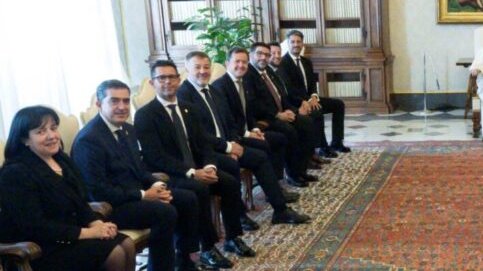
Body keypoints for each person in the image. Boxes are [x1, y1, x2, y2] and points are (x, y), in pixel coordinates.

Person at [134, 59, 254, 268]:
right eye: (162, 78)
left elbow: (204, 144)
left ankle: (233, 238)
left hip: (197, 168)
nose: (168, 82)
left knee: (228, 181)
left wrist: (209, 166)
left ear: (179, 80)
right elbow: (155, 157)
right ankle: (207, 248)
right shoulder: (145, 115)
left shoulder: (189, 109)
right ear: (153, 83)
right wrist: (191, 172)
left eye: (172, 77)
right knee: (199, 189)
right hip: (170, 174)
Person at [72, 80, 201, 271]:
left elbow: (139, 169)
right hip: (110, 206)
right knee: (165, 212)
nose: (122, 107)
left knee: (187, 198)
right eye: (114, 101)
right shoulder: (89, 140)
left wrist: (157, 186)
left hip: (134, 195)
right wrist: (144, 195)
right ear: (99, 104)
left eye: (126, 101)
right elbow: (98, 191)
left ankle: (184, 260)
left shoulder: (127, 129)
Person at [177, 51, 309, 226]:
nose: (203, 71)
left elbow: (229, 121)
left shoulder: (212, 90)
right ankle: (238, 215)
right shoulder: (183, 95)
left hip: (227, 142)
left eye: (206, 67)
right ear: (187, 69)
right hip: (205, 152)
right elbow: (197, 136)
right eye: (197, 67)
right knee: (233, 164)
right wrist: (227, 148)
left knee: (260, 155)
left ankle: (280, 210)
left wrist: (233, 143)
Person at [0, 105, 135, 271]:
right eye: (41, 132)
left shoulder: (61, 159)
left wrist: (96, 223)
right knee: (115, 253)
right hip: (39, 249)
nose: (52, 136)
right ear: (24, 139)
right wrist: (88, 233)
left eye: (53, 128)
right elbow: (34, 226)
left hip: (70, 236)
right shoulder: (15, 172)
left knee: (127, 244)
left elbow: (80, 201)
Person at [247, 43, 320, 186]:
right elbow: (254, 104)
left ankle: (301, 170)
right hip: (265, 118)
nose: (264, 58)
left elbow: (282, 94)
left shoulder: (268, 70)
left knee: (307, 122)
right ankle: (291, 174)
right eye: (259, 54)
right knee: (289, 131)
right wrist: (277, 114)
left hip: (282, 112)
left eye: (267, 55)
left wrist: (291, 110)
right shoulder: (249, 75)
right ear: (251, 55)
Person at [212, 47, 290, 181]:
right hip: (235, 136)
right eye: (237, 62)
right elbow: (228, 120)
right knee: (264, 146)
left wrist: (255, 128)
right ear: (227, 64)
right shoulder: (220, 86)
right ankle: (271, 187)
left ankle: (277, 181)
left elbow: (248, 112)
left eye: (244, 62)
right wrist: (249, 134)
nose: (241, 66)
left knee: (279, 139)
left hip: (247, 131)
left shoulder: (243, 82)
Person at [278, 30, 350, 157]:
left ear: (302, 43)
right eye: (293, 42)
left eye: (298, 41)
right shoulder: (283, 63)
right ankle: (322, 147)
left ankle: (337, 142)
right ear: (288, 44)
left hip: (310, 99)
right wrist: (304, 102)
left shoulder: (307, 62)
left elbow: (312, 84)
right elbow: (289, 90)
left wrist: (314, 97)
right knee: (317, 111)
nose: (296, 44)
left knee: (338, 104)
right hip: (296, 102)